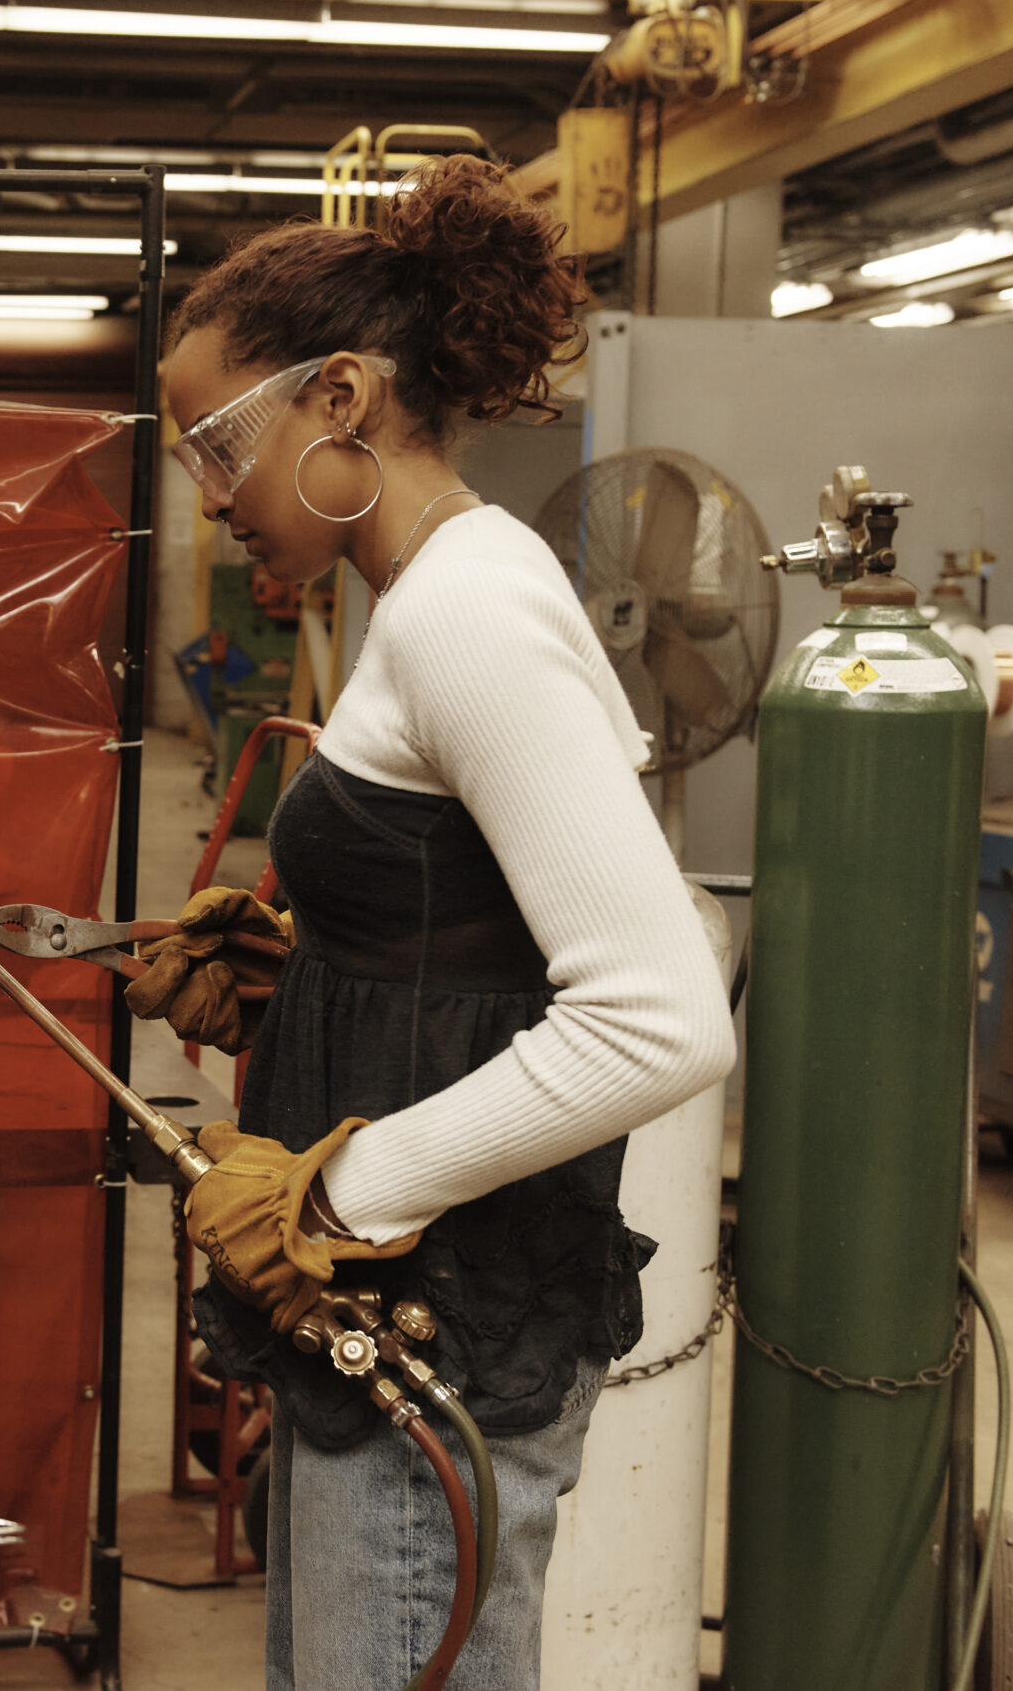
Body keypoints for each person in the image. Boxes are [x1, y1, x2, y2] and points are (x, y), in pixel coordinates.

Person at [144, 155, 737, 1691]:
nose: (209, 495)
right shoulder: (416, 600)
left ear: (338, 395)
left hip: (433, 1323)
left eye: (218, 444)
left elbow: (659, 1016)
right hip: (398, 1321)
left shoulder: (470, 607)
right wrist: (306, 981)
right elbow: (482, 931)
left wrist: (345, 1195)